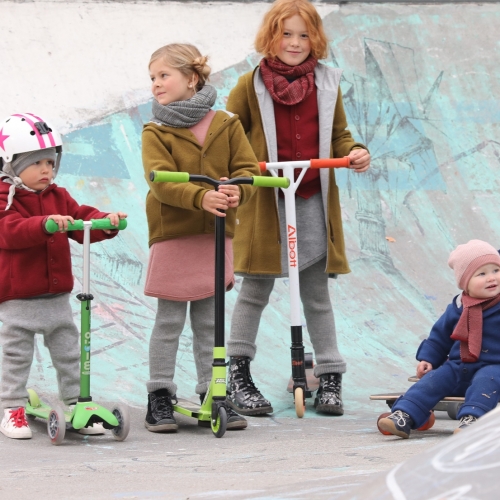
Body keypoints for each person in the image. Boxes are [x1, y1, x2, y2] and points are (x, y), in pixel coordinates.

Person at [224, 0, 371, 416]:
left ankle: (329, 374)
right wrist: (239, 170)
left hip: (310, 199)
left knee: (316, 294)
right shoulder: (248, 85)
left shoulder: (328, 82)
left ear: (316, 39)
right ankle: (239, 373)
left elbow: (339, 136)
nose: (295, 42)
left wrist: (354, 151)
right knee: (254, 289)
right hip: (266, 203)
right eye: (286, 33)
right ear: (271, 36)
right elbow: (229, 137)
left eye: (304, 35)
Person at [141, 43, 261, 433]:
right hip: (174, 235)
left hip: (215, 234)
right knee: (170, 319)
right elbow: (160, 182)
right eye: (153, 78)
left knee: (210, 322)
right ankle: (159, 394)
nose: (156, 84)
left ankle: (214, 392)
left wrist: (239, 190)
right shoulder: (156, 131)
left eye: (164, 75)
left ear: (191, 79)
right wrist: (201, 195)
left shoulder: (225, 124)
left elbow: (245, 168)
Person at [0, 112, 127, 439]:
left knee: (70, 350)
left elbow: (82, 218)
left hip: (56, 295)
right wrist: (43, 225)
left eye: (51, 163)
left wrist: (105, 221)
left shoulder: (58, 196)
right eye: (37, 163)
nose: (47, 170)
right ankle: (12, 408)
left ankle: (76, 403)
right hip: (19, 295)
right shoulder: (5, 197)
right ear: (13, 165)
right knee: (17, 354)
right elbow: (8, 231)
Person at [379, 240, 500, 438]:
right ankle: (404, 415)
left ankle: (472, 419)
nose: (491, 278)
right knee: (432, 381)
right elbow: (439, 337)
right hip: (458, 365)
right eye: (482, 274)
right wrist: (428, 359)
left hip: (494, 366)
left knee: (487, 383)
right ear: (465, 282)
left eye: (496, 270)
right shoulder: (458, 308)